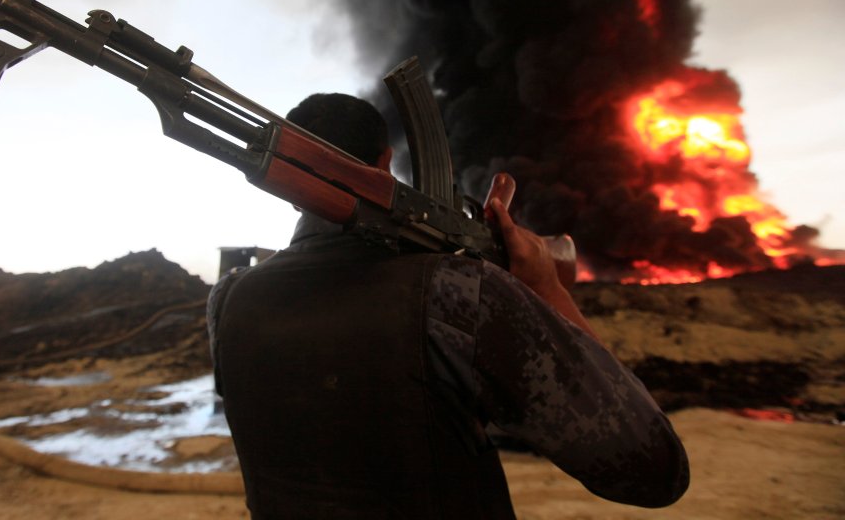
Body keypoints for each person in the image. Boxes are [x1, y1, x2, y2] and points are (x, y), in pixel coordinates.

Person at [207, 93, 689, 518]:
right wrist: (549, 290)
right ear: (385, 162)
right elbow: (654, 469)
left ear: (291, 190)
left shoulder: (227, 299)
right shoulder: (457, 293)